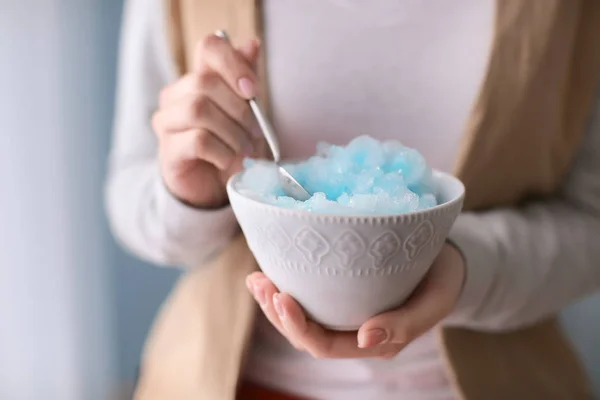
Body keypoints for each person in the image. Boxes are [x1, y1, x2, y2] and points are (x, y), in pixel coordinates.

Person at [106, 0, 600, 399]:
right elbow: (131, 204)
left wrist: (467, 265)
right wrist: (193, 196)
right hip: (228, 380)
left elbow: (591, 221)